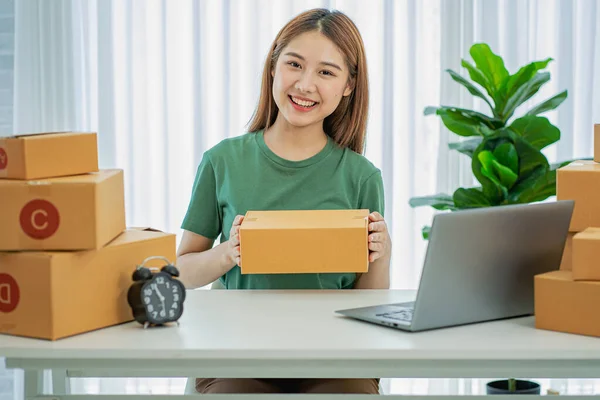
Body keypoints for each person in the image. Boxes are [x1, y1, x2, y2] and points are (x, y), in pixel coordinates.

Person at [176, 7, 391, 395]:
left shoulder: (362, 177)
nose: (306, 84)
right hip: (236, 351)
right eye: (295, 64)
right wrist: (228, 253)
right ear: (273, 67)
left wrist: (383, 253)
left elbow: (369, 302)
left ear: (348, 86)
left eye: (326, 72)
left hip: (334, 354)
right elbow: (182, 271)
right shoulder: (222, 161)